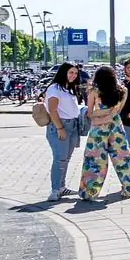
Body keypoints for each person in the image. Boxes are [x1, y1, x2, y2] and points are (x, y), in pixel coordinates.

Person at [77, 65, 130, 202]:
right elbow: (118, 110)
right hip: (116, 126)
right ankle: (129, 188)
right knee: (123, 157)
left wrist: (99, 114)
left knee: (95, 160)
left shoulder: (94, 91)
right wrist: (110, 114)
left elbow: (89, 112)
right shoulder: (123, 90)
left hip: (98, 129)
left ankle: (89, 192)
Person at [43, 62, 86, 200]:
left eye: (75, 73)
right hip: (60, 125)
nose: (73, 75)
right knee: (59, 159)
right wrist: (60, 128)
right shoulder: (55, 88)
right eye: (70, 72)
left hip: (73, 126)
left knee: (66, 159)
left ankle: (61, 187)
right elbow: (52, 110)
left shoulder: (69, 88)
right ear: (63, 73)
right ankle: (55, 190)